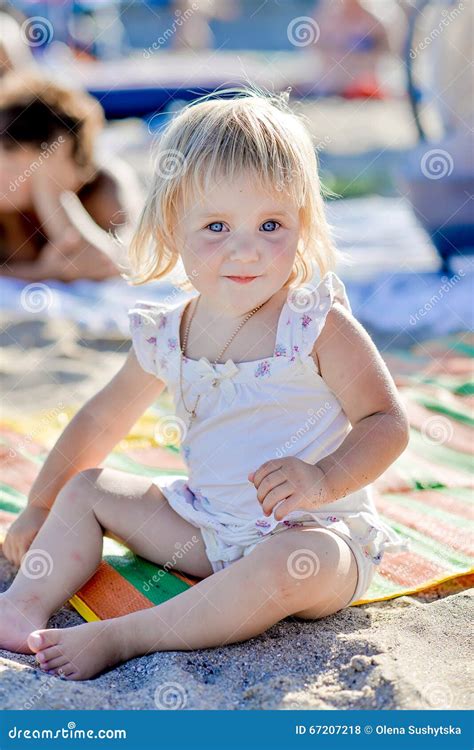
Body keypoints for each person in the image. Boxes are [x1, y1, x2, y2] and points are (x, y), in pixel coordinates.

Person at [0, 88, 410, 680]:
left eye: (271, 224)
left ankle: (127, 635)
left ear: (303, 223)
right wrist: (41, 504)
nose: (245, 248)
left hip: (313, 537)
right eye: (216, 225)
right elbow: (99, 422)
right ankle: (22, 605)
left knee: (292, 559)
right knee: (88, 488)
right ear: (173, 228)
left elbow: (385, 423)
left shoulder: (315, 323)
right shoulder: (171, 333)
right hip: (207, 529)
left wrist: (323, 478)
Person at [0, 72, 142, 281]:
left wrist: (51, 192)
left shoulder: (103, 185)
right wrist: (43, 273)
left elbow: (121, 262)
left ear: (71, 165)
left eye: (13, 169)